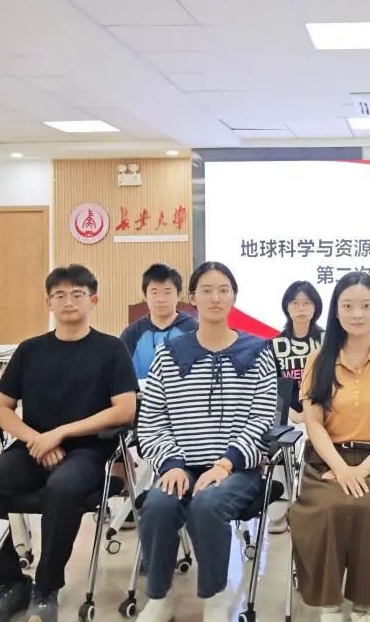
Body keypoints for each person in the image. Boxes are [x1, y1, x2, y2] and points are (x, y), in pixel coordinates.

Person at [0, 265, 138, 622]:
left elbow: (125, 409)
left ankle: (46, 588)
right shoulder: (30, 350)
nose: (68, 301)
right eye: (60, 295)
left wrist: (61, 433)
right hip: (33, 448)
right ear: (49, 302)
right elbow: (0, 408)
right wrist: (37, 439)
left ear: (93, 300)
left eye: (77, 294)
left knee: (63, 487)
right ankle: (10, 583)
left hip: (88, 450)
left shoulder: (110, 349)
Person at [135, 262, 277, 622]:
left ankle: (214, 596)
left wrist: (225, 464)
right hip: (181, 466)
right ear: (192, 298)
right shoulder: (169, 354)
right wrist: (171, 464)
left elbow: (262, 421)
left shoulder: (258, 351)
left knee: (207, 503)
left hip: (236, 469)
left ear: (234, 297)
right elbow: (151, 420)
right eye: (207, 290)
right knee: (158, 505)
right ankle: (159, 597)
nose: (215, 298)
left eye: (223, 290)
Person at [289, 272, 370, 622]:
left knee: (368, 508)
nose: (357, 314)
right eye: (347, 306)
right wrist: (342, 469)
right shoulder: (318, 360)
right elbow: (313, 423)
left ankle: (364, 606)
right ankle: (329, 605)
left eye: (366, 305)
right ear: (336, 311)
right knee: (326, 510)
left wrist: (361, 470)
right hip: (327, 459)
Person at [120, 263, 197, 379]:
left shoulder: (193, 329)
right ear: (145, 296)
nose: (161, 299)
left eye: (167, 292)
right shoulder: (132, 333)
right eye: (154, 292)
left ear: (178, 295)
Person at [271, 280, 324, 425]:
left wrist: (312, 413)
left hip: (323, 416)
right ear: (287, 307)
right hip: (286, 418)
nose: (301, 308)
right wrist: (293, 415)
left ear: (315, 307)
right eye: (295, 303)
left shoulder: (326, 340)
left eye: (307, 303)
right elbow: (269, 386)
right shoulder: (274, 344)